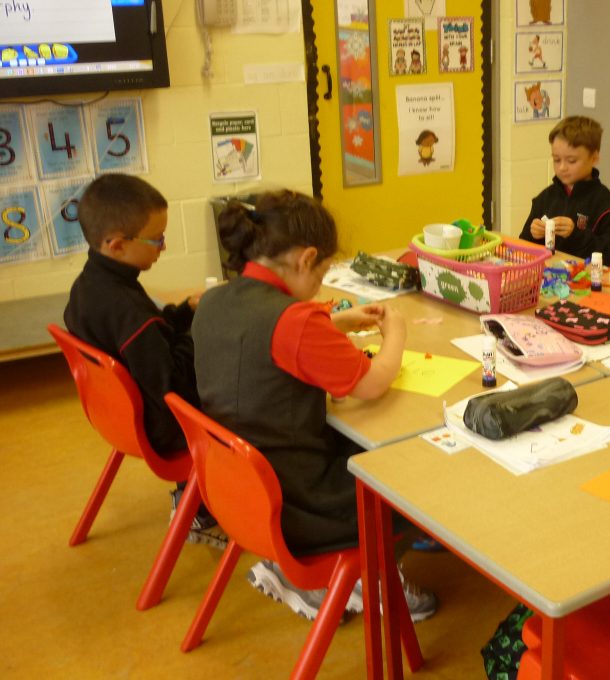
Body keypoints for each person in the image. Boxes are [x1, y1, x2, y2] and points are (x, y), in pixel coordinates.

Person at [191, 189, 437, 622]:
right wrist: (396, 333)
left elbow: (265, 340)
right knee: (417, 479)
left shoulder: (212, 301)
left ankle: (306, 572)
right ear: (306, 259)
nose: (320, 285)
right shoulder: (296, 321)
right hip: (301, 505)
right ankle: (358, 579)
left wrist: (334, 323)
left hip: (240, 489)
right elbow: (373, 383)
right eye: (321, 273)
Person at [63, 173, 224, 548]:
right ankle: (201, 509)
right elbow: (174, 385)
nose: (164, 246)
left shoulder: (89, 286)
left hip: (117, 416)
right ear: (118, 245)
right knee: (251, 391)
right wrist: (202, 330)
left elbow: (151, 337)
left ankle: (197, 500)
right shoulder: (129, 311)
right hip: (164, 428)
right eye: (157, 239)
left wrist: (184, 312)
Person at [518, 115, 610, 270]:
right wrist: (533, 234)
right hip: (549, 277)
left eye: (571, 161)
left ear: (594, 158)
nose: (562, 167)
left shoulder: (608, 207)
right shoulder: (546, 198)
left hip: (586, 279)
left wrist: (575, 235)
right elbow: (523, 246)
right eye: (557, 160)